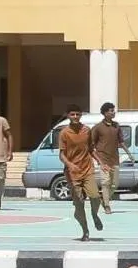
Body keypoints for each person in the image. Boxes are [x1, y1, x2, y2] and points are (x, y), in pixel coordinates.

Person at [57, 105, 104, 240]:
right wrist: (70, 164)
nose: (75, 117)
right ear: (68, 116)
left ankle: (95, 215)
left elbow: (91, 150)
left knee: (95, 196)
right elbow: (61, 155)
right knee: (79, 203)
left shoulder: (86, 130)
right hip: (72, 173)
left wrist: (100, 162)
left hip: (87, 169)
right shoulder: (64, 133)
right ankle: (85, 231)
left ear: (81, 115)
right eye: (73, 114)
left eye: (78, 114)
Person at [90, 102, 133, 214]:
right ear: (105, 113)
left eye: (114, 110)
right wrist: (98, 159)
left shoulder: (117, 126)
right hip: (103, 160)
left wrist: (129, 154)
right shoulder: (97, 127)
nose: (113, 112)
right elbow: (91, 145)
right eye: (111, 110)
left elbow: (121, 142)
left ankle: (104, 200)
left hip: (115, 159)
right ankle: (107, 205)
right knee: (105, 182)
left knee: (114, 184)